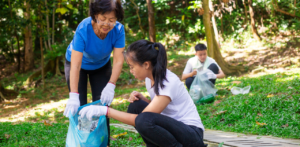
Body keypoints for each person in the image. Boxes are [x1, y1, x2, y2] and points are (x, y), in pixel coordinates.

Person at [79, 40, 206, 147]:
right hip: (173, 128)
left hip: (192, 135)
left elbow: (142, 119)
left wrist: (105, 111)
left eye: (132, 66)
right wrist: (145, 100)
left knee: (143, 120)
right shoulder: (149, 79)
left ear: (146, 64)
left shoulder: (168, 82)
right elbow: (162, 110)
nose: (131, 71)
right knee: (135, 106)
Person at [63, 0, 125, 145]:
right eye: (102, 19)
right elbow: (76, 65)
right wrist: (73, 95)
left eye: (111, 20)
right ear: (94, 16)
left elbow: (118, 60)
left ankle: (103, 143)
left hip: (101, 66)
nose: (106, 24)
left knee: (103, 107)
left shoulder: (118, 30)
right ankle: (85, 143)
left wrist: (111, 85)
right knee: (81, 107)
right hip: (79, 67)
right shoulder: (83, 28)